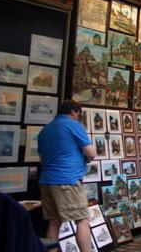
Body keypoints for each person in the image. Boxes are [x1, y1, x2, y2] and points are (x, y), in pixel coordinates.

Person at [38, 100, 96, 252]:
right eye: (78, 114)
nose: (78, 117)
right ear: (73, 112)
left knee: (54, 222)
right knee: (82, 219)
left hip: (46, 180)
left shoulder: (45, 129)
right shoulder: (73, 125)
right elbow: (91, 152)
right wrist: (86, 159)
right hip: (67, 180)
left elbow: (42, 159)